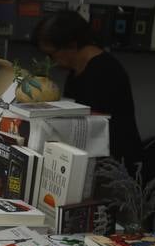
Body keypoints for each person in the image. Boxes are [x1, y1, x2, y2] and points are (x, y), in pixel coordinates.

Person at [34, 9, 144, 168]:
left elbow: (99, 129)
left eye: (52, 54)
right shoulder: (75, 71)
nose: (51, 61)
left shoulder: (105, 71)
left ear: (72, 45)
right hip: (90, 158)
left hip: (114, 165)